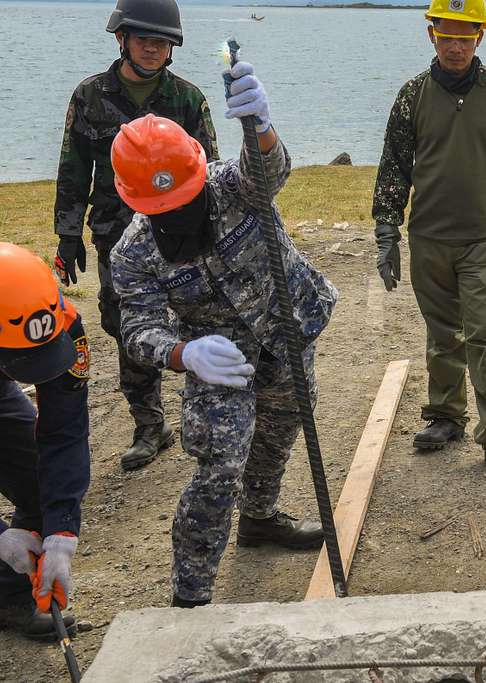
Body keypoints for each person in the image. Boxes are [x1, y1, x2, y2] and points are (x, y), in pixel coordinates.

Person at [109, 61, 337, 607]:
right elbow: (136, 327)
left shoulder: (230, 187)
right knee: (219, 468)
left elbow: (268, 169)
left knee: (279, 432)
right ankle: (190, 595)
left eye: (184, 197)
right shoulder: (134, 253)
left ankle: (260, 519)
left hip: (288, 329)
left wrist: (258, 124)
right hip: (219, 360)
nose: (178, 211)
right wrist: (183, 353)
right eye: (162, 208)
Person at [372, 0, 486, 482]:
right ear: (431, 34)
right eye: (446, 35)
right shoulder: (412, 96)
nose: (455, 45)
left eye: (465, 37)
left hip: (483, 238)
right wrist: (386, 230)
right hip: (428, 236)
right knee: (443, 332)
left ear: (480, 38)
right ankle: (445, 414)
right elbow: (393, 167)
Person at [53, 0, 219, 471]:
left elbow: (211, 169)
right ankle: (151, 425)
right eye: (143, 38)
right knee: (127, 325)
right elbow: (72, 169)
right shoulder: (89, 96)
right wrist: (68, 236)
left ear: (173, 47)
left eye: (162, 40)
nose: (152, 47)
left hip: (182, 233)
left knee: (199, 320)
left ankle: (205, 417)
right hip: (117, 232)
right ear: (121, 38)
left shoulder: (187, 99)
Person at [0, 243, 90, 639]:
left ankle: (7, 597)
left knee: (37, 475)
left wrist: (61, 530)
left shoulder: (62, 322)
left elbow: (65, 431)